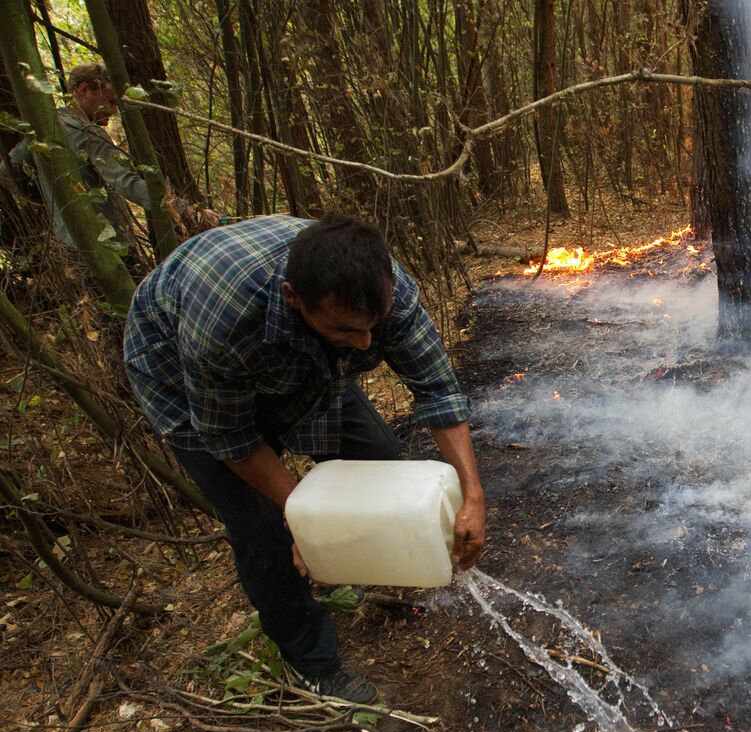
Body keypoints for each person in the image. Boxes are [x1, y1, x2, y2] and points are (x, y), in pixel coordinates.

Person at [123, 214, 486, 703]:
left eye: (373, 327)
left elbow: (437, 389)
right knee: (263, 529)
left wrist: (473, 493)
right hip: (181, 376)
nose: (365, 343)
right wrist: (304, 518)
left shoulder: (385, 291)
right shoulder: (225, 325)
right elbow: (231, 437)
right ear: (295, 298)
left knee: (378, 459)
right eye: (347, 329)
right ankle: (312, 662)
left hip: (302, 357)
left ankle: (341, 568)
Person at [4, 62, 218, 250]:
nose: (114, 111)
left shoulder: (46, 127)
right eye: (110, 101)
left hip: (70, 243)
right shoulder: (87, 132)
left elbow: (8, 171)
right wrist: (187, 210)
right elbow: (126, 182)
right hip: (108, 247)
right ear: (84, 90)